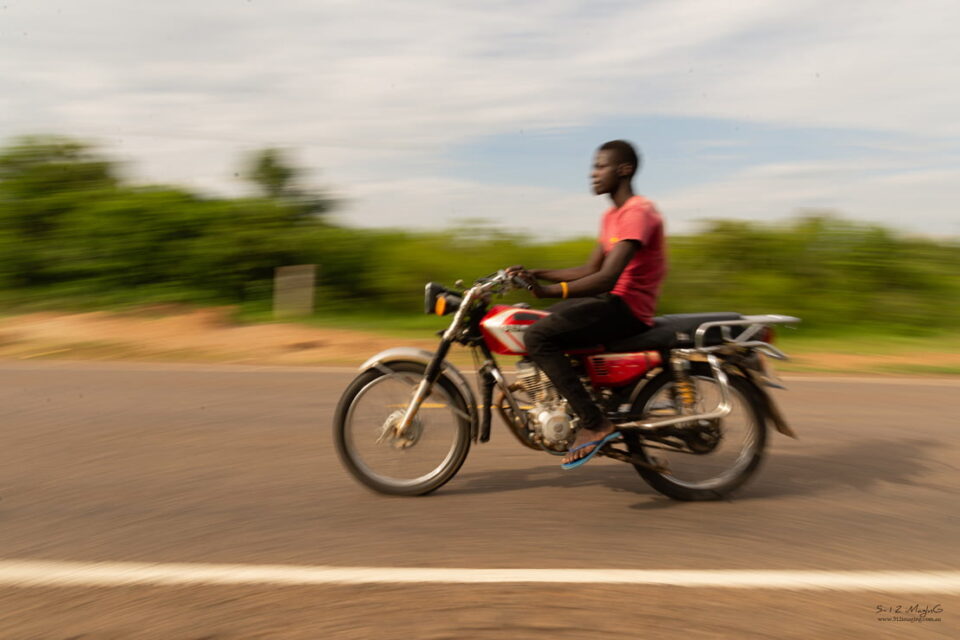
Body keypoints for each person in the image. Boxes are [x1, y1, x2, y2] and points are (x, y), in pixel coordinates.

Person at [508, 140, 666, 469]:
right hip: (609, 301)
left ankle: (595, 423)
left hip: (626, 308)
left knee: (538, 337)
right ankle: (580, 400)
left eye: (600, 166)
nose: (592, 174)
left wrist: (549, 292)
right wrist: (536, 273)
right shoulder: (613, 215)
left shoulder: (638, 212)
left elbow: (607, 278)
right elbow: (589, 270)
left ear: (625, 170)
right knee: (531, 321)